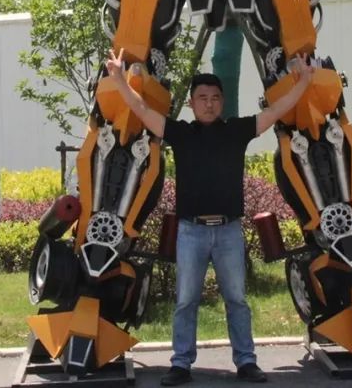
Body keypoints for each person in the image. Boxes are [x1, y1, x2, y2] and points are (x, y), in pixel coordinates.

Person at [105, 49, 316, 386]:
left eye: (215, 98)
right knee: (185, 301)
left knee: (237, 300)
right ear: (191, 103)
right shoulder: (180, 133)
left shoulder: (236, 130)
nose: (209, 104)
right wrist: (118, 79)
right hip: (191, 232)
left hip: (229, 231)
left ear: (223, 102)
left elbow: (276, 111)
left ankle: (246, 362)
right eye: (202, 98)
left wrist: (303, 81)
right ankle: (180, 364)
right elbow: (142, 110)